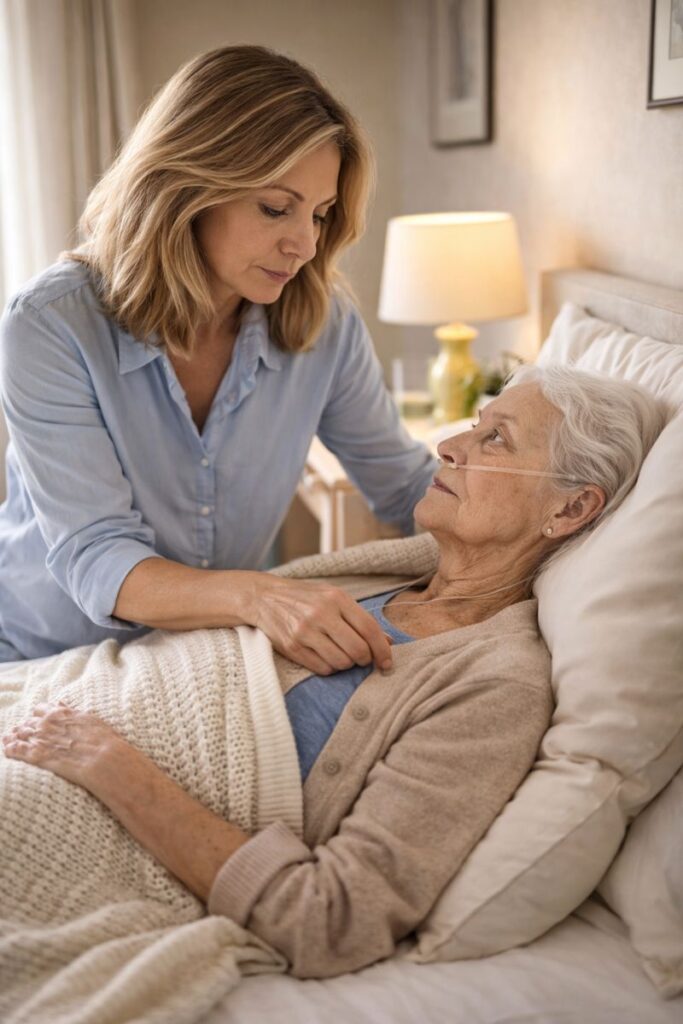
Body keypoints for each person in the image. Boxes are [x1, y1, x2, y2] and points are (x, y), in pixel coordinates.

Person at [1, 367, 665, 991]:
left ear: (570, 510)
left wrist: (110, 765)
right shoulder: (384, 577)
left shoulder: (494, 688)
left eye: (495, 437)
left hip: (75, 780)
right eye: (474, 423)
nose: (448, 443)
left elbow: (332, 919)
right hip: (50, 696)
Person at [0, 44, 436, 668]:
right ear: (186, 188)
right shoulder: (51, 324)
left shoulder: (323, 324)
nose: (306, 245)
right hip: (39, 655)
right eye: (274, 208)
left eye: (320, 214)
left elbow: (403, 486)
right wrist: (265, 597)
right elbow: (98, 555)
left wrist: (546, 523)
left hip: (195, 663)